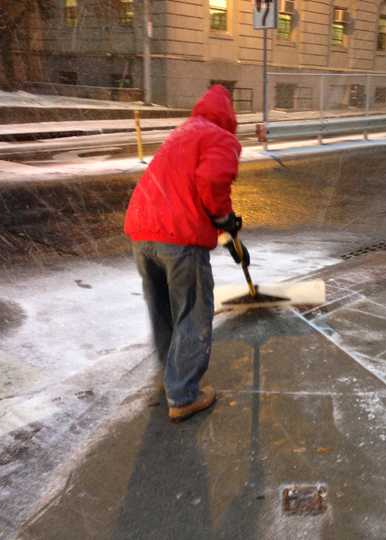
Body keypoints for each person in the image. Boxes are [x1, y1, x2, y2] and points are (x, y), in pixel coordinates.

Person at [124, 84, 248, 422]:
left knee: (162, 310)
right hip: (178, 238)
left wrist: (224, 226)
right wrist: (224, 219)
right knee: (192, 312)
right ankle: (183, 395)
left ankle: (171, 379)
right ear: (229, 115)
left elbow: (190, 184)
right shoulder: (221, 138)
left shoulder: (183, 133)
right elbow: (212, 183)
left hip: (142, 230)